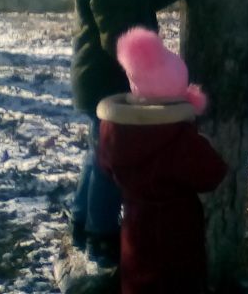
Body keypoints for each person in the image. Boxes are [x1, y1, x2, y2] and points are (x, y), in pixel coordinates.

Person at [58, 0, 194, 266]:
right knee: (109, 164)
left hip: (98, 82)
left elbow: (142, 1)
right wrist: (149, 74)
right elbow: (117, 39)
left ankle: (83, 223)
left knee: (97, 156)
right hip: (108, 86)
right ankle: (101, 238)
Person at [97, 27, 226, 293]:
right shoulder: (179, 138)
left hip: (135, 224)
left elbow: (106, 167)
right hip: (178, 231)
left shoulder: (113, 130)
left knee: (137, 280)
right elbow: (212, 174)